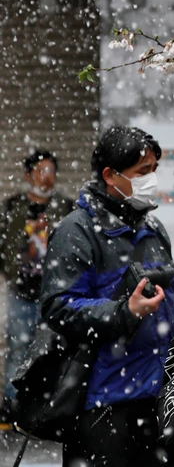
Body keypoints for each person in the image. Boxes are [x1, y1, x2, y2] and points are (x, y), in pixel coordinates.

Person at [41, 126, 174, 467]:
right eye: (142, 172)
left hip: (157, 399)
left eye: (154, 171)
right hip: (102, 403)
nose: (152, 180)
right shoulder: (77, 230)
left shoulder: (154, 229)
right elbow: (58, 306)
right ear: (110, 176)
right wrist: (122, 313)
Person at [0, 149, 73, 411]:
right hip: (20, 290)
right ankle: (13, 404)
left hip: (54, 293)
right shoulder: (13, 206)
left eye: (51, 171)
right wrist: (12, 272)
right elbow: (4, 245)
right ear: (28, 174)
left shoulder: (65, 207)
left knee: (52, 349)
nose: (47, 177)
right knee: (19, 346)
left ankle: (47, 407)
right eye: (41, 170)